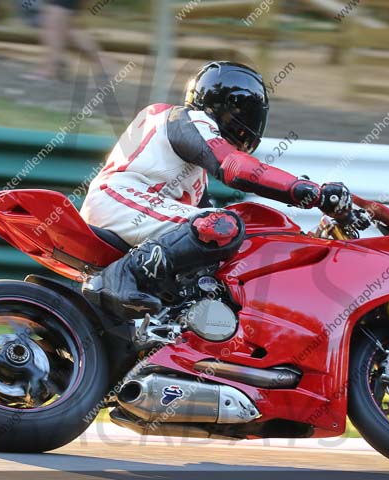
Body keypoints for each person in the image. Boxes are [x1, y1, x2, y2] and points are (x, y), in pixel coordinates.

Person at [80, 61, 369, 319]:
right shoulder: (183, 119)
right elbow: (234, 167)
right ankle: (120, 276)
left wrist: (309, 239)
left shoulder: (191, 172)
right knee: (221, 226)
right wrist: (309, 191)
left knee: (223, 242)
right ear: (232, 109)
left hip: (131, 209)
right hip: (119, 201)